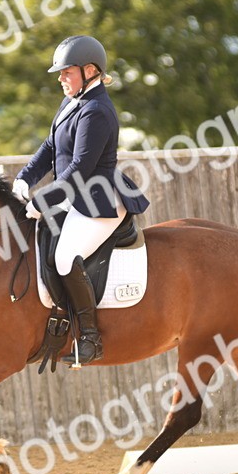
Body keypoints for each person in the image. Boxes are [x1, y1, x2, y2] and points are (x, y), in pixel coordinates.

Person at [12, 35, 150, 365]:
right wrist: (24, 178)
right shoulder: (73, 101)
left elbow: (79, 169)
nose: (60, 78)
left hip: (98, 201)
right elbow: (49, 148)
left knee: (64, 257)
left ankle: (90, 337)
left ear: (90, 71)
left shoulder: (97, 111)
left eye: (66, 72)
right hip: (75, 197)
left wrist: (42, 201)